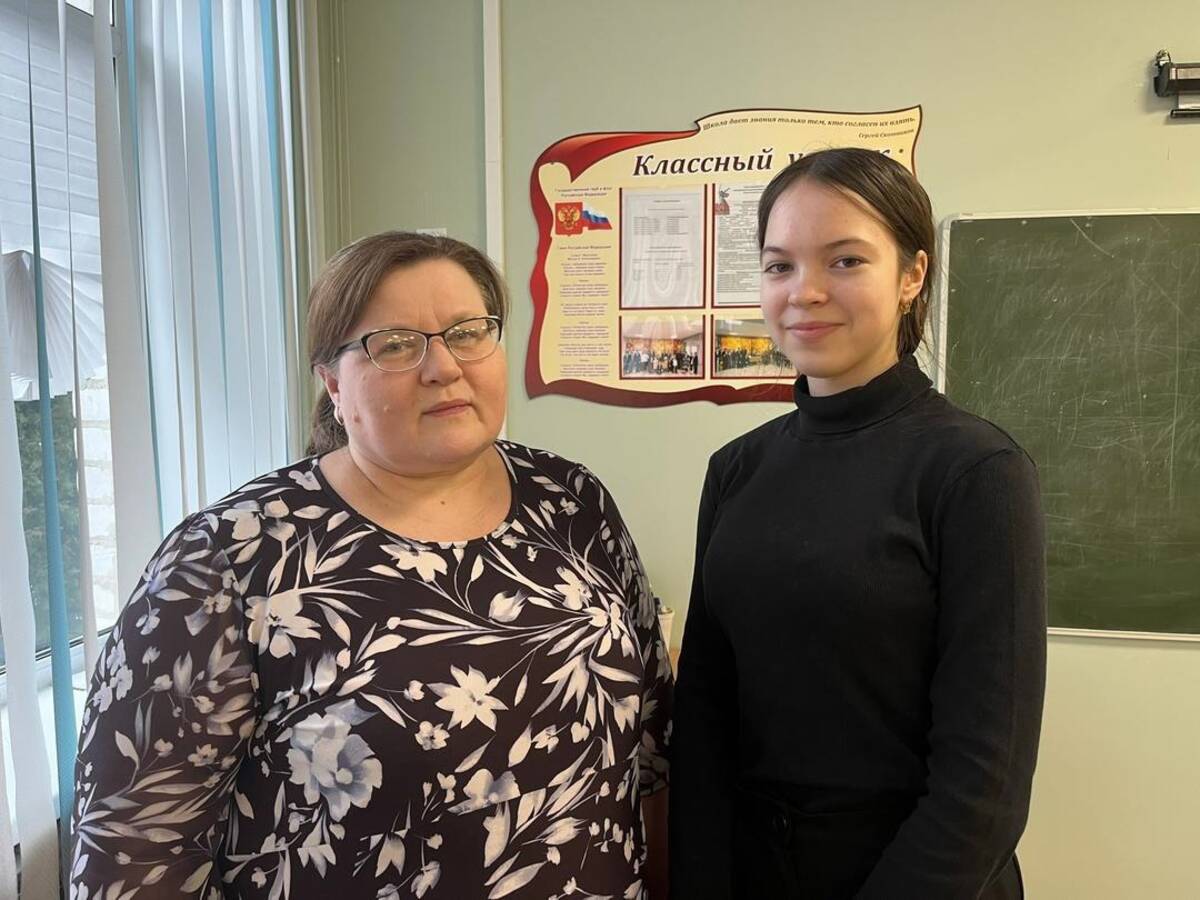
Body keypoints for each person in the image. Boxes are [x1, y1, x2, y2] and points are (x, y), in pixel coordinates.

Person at [72, 232, 672, 898]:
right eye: (395, 345)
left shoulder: (572, 501)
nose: (443, 367)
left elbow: (652, 747)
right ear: (333, 383)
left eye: (468, 332)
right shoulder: (230, 558)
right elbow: (131, 851)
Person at [669, 148, 1046, 899]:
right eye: (779, 266)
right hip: (756, 872)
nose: (804, 292)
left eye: (844, 260)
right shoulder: (737, 469)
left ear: (911, 275)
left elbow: (987, 780)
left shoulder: (976, 470)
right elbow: (705, 712)